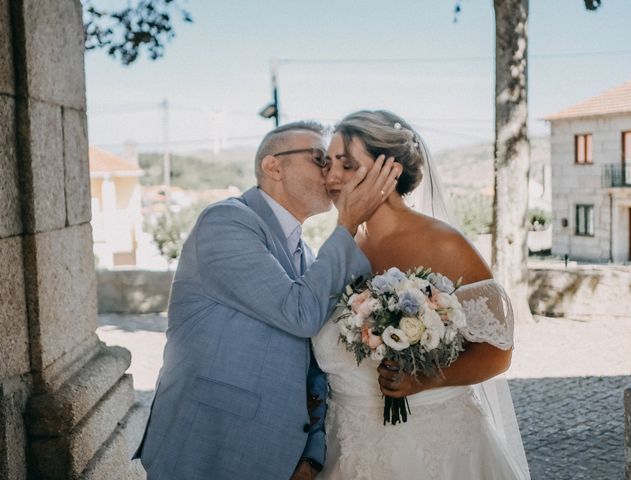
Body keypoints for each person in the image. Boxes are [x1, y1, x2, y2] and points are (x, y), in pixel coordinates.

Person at [133, 120, 401, 480]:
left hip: (278, 454)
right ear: (274, 166)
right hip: (208, 442)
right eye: (320, 159)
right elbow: (301, 314)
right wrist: (347, 224)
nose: (331, 173)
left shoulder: (307, 254)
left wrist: (312, 452)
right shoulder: (226, 221)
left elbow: (313, 363)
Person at [312, 110, 531, 479]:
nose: (331, 177)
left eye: (347, 165)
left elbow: (497, 353)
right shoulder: (342, 247)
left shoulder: (443, 244)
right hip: (347, 446)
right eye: (328, 163)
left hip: (433, 451)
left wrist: (423, 380)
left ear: (390, 171)